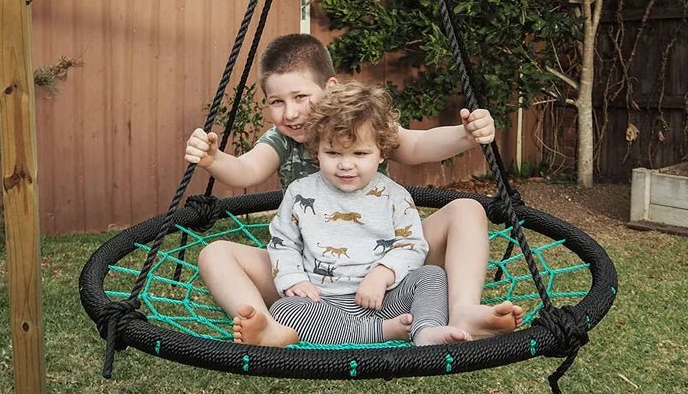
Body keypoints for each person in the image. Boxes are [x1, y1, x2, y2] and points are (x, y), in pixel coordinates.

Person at [185, 33, 522, 346]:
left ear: (330, 87)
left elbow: (418, 145)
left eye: (301, 96)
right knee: (214, 253)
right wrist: (214, 159)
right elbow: (246, 169)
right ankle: (267, 324)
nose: (291, 112)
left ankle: (463, 309)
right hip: (314, 272)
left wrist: (465, 135)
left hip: (387, 262)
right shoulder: (283, 141)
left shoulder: (368, 126)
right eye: (277, 101)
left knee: (468, 209)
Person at [261, 80, 469, 346]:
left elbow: (412, 245)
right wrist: (294, 279)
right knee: (284, 310)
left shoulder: (394, 196)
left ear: (382, 152)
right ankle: (380, 331)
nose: (346, 164)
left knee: (432, 276)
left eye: (360, 153)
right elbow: (283, 242)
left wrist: (383, 274)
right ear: (316, 151)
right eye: (333, 153)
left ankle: (426, 329)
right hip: (323, 304)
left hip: (386, 297)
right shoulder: (300, 193)